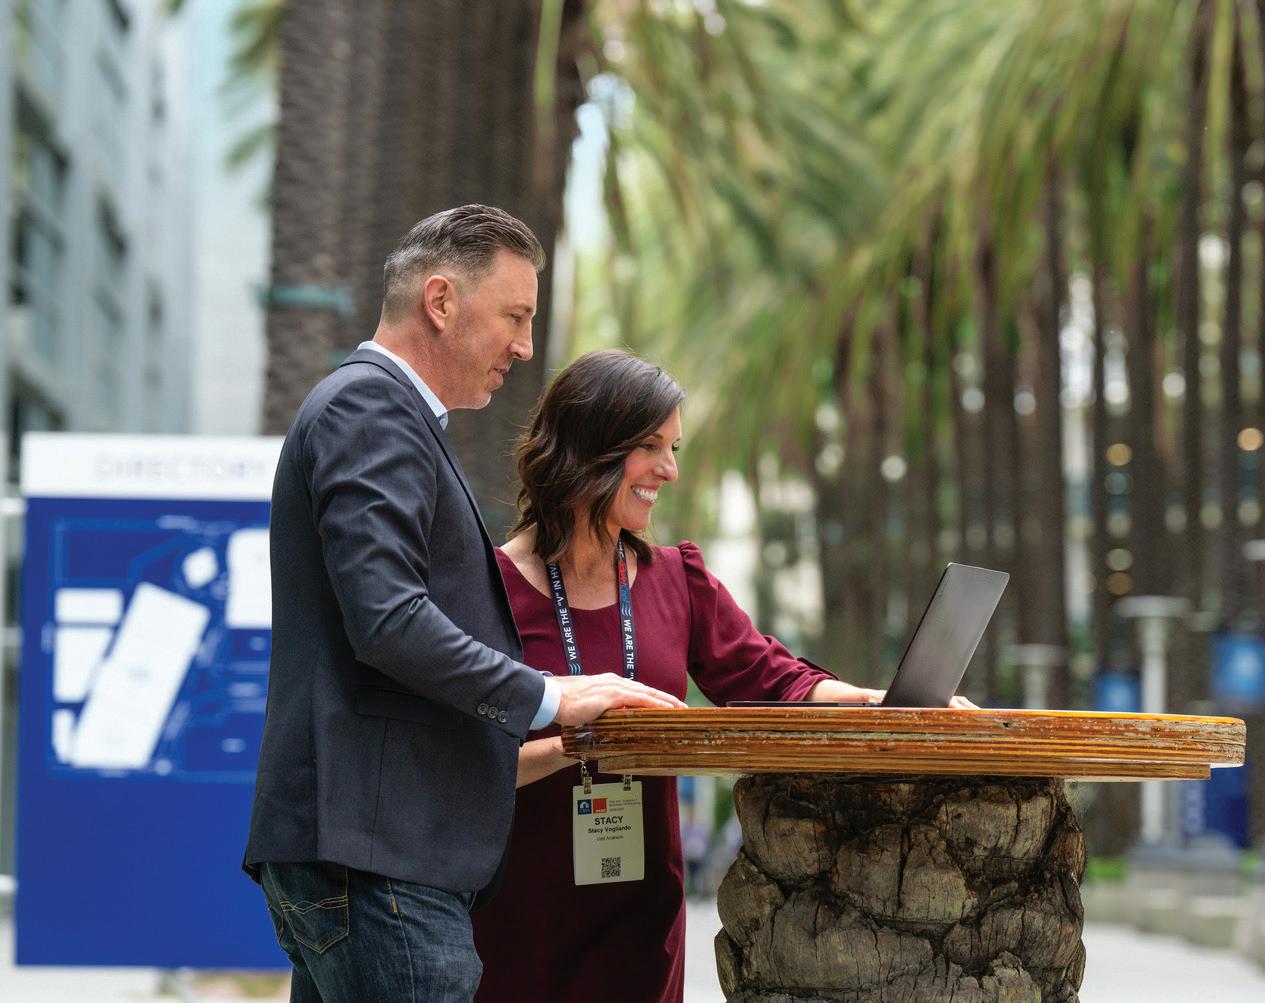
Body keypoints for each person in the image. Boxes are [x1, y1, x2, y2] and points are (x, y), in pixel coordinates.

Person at [243, 208, 684, 1003]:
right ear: (441, 301)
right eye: (515, 316)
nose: (525, 346)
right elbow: (388, 619)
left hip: (366, 851)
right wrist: (552, 696)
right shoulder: (370, 409)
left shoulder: (387, 415)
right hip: (380, 857)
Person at [471, 349, 974, 1003]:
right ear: (590, 445)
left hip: (640, 918)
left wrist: (875, 699)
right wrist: (581, 742)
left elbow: (770, 677)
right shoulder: (485, 590)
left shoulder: (676, 579)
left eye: (674, 448)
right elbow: (458, 765)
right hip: (518, 918)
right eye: (650, 446)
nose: (669, 470)